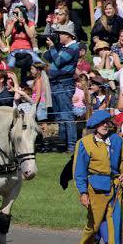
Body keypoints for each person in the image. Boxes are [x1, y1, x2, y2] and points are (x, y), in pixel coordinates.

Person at [73, 110, 123, 244]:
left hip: (115, 188)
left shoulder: (118, 140)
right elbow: (79, 172)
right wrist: (83, 193)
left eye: (107, 122)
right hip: (95, 190)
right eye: (101, 123)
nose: (105, 125)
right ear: (94, 125)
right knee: (94, 226)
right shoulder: (84, 143)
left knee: (116, 225)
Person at [43, 22, 80, 153]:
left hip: (63, 84)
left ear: (68, 35)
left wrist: (53, 48)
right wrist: (51, 47)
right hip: (56, 84)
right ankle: (62, 144)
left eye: (60, 34)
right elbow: (47, 57)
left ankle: (71, 146)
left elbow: (58, 62)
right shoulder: (63, 47)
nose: (58, 36)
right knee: (59, 116)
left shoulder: (73, 47)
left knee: (66, 116)